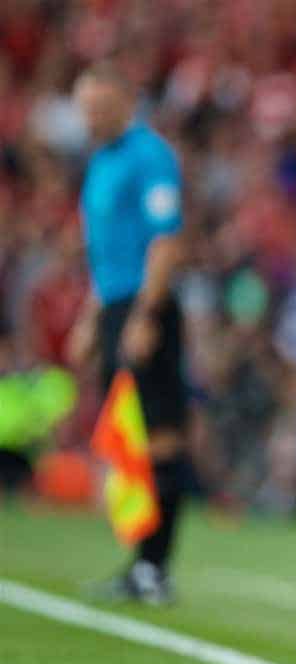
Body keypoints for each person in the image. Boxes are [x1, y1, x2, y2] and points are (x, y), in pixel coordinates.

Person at [68, 63, 190, 604]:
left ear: (125, 100)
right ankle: (141, 563)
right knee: (132, 439)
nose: (89, 117)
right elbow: (106, 249)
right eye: (84, 108)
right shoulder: (100, 160)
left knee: (160, 436)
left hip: (148, 306)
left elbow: (165, 241)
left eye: (98, 107)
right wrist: (92, 316)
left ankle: (155, 568)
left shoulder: (149, 155)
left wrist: (145, 314)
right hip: (117, 304)